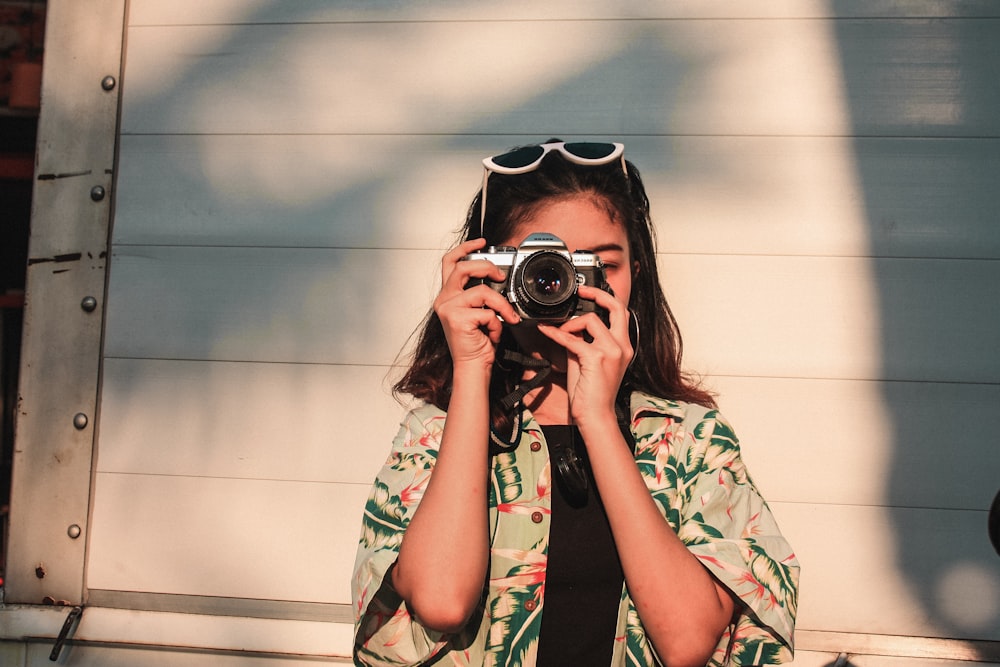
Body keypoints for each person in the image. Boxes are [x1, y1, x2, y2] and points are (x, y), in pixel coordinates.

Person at [352, 140, 799, 666]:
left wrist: (598, 419)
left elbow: (687, 644)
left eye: (598, 265)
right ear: (487, 271)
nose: (563, 286)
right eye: (540, 268)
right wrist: (471, 368)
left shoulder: (690, 438)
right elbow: (442, 603)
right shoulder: (434, 432)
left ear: (638, 274)